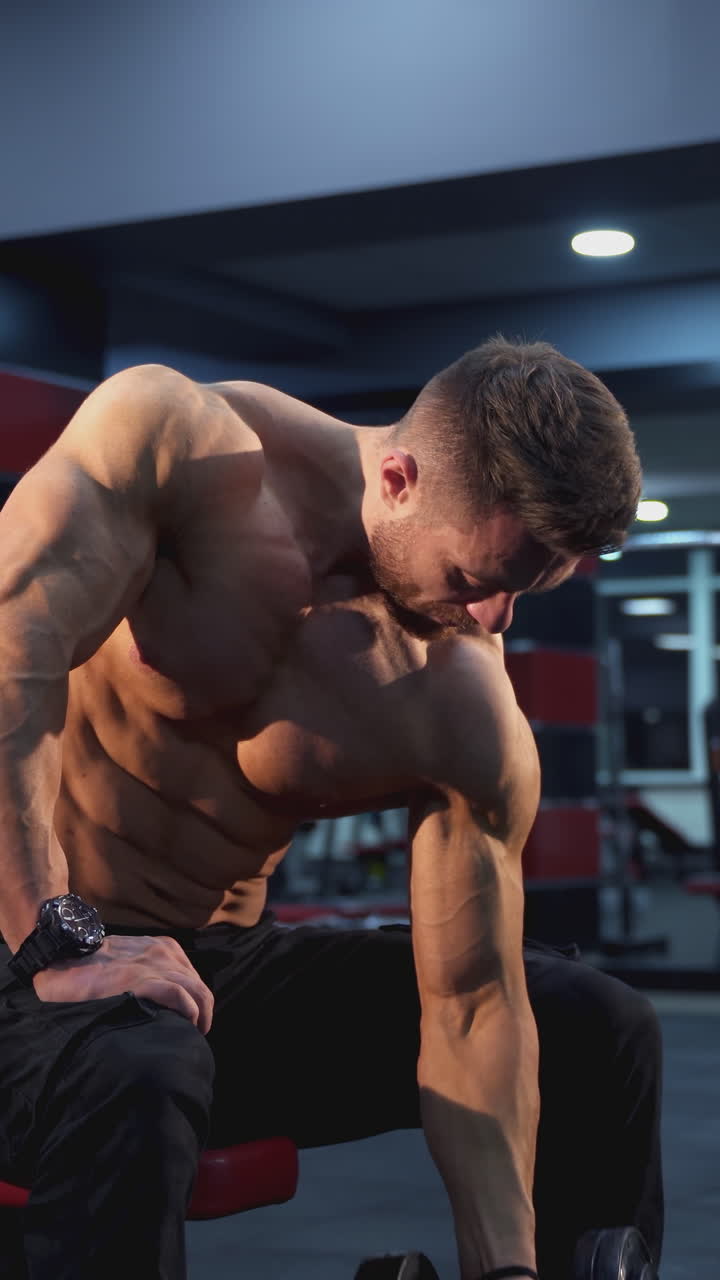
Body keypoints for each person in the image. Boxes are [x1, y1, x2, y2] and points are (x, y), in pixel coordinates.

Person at [0, 337, 660, 1280]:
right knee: (139, 1066)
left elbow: (471, 1005)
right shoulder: (175, 445)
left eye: (527, 589)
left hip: (204, 974)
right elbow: (8, 659)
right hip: (24, 944)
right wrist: (57, 942)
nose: (494, 621)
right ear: (399, 477)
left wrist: (504, 1265)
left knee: (594, 1024)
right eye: (478, 580)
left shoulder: (458, 695)